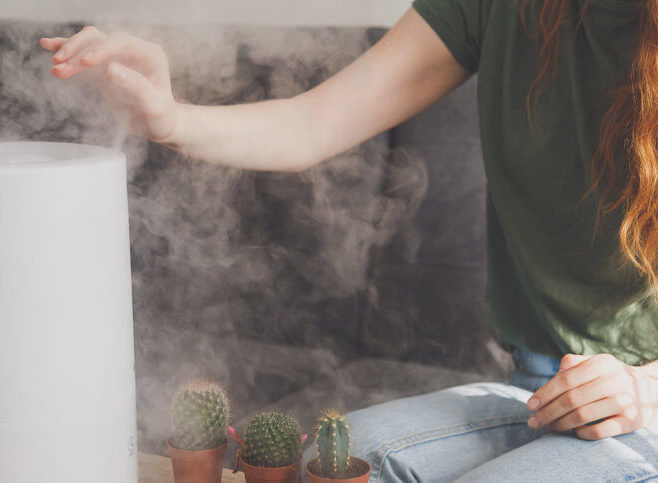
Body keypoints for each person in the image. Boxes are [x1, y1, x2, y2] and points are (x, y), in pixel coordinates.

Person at [40, 0, 658, 480]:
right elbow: (313, 123)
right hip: (536, 386)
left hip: (649, 401)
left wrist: (640, 390)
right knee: (340, 463)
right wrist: (170, 118)